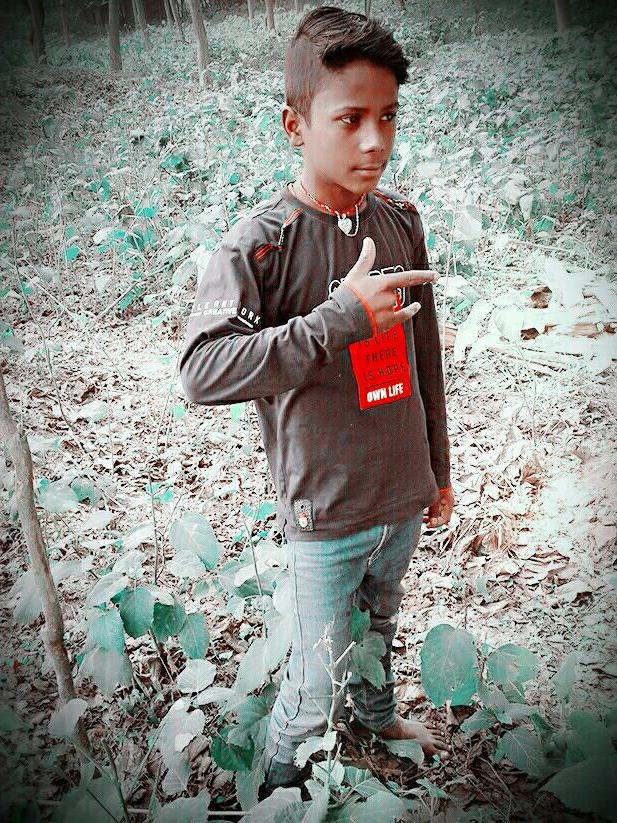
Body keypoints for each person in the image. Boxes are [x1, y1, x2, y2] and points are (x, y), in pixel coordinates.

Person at [180, 5, 454, 797]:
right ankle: (279, 797)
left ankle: (376, 717)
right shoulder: (261, 244)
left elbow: (423, 358)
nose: (374, 141)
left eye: (387, 117)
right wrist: (338, 320)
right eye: (350, 119)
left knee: (380, 625)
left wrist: (437, 472)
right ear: (294, 125)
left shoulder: (398, 221)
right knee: (309, 688)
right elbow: (202, 369)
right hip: (324, 514)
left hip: (399, 495)